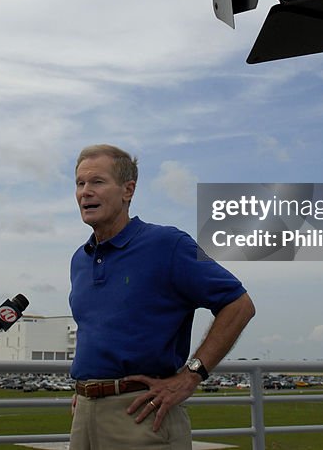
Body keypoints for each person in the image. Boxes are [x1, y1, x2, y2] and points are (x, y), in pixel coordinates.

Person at [68, 144, 255, 449]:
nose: (85, 192)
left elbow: (239, 304)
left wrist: (191, 375)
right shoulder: (80, 259)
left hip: (142, 416)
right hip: (84, 414)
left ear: (128, 190)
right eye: (80, 183)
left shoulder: (168, 244)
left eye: (97, 182)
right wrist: (90, 388)